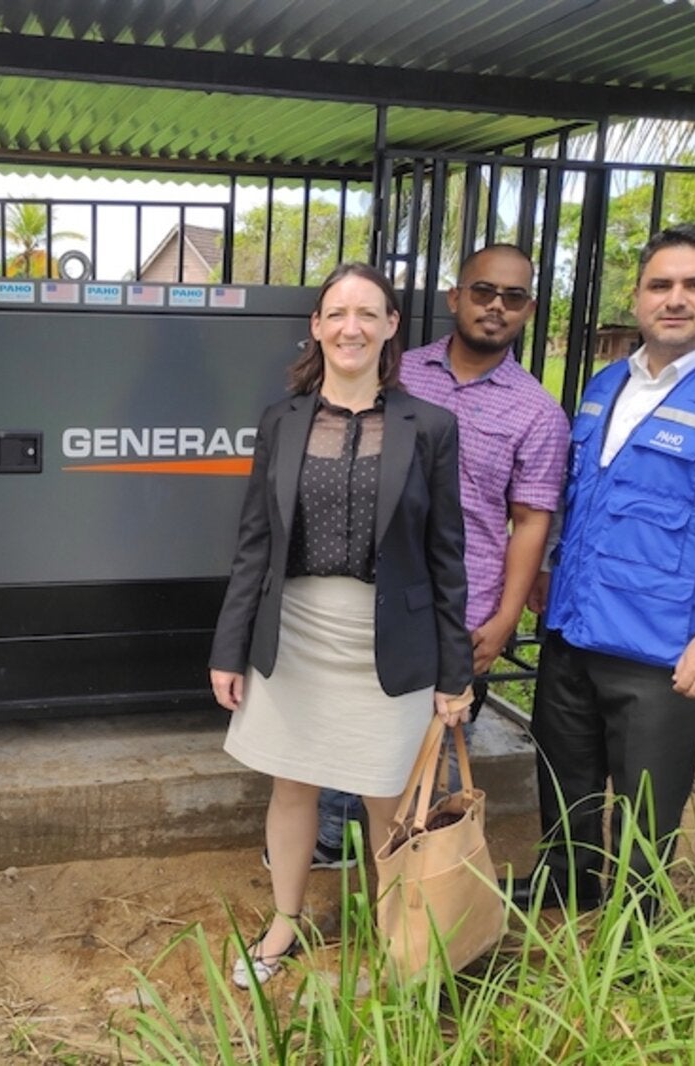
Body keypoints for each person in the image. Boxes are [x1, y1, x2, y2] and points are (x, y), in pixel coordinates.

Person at [521, 223, 695, 913]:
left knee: (647, 807)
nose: (675, 299)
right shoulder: (606, 384)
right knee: (565, 781)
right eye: (660, 285)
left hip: (666, 651)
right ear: (640, 296)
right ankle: (566, 885)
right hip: (575, 629)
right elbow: (580, 493)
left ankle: (637, 925)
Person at [209, 262, 474, 988]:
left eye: (368, 313)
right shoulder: (283, 420)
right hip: (295, 632)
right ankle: (284, 924)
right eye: (336, 313)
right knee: (291, 787)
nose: (350, 326)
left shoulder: (431, 427)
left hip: (388, 638)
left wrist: (456, 674)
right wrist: (228, 649)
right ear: (316, 327)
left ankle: (399, 933)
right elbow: (254, 544)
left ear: (391, 327)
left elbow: (447, 557)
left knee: (387, 794)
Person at [306, 245, 570, 867]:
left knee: (437, 745)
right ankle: (332, 843)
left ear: (528, 310)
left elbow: (531, 522)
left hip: (463, 608)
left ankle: (419, 869)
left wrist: (505, 619)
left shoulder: (537, 411)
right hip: (367, 593)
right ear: (456, 297)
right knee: (349, 722)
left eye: (512, 298)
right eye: (483, 291)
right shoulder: (399, 374)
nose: (495, 307)